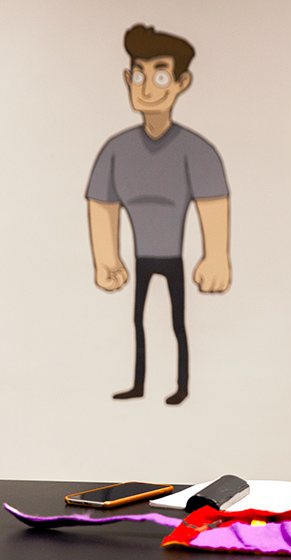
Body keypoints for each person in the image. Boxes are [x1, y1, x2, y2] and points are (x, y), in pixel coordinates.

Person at [86, 24, 231, 406]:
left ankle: (181, 385)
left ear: (181, 82)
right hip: (141, 257)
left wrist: (216, 256)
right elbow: (102, 204)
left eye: (161, 74)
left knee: (177, 324)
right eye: (138, 74)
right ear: (127, 78)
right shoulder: (116, 150)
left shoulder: (196, 151)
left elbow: (213, 202)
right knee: (139, 321)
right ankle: (139, 382)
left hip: (173, 258)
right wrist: (106, 258)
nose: (147, 86)